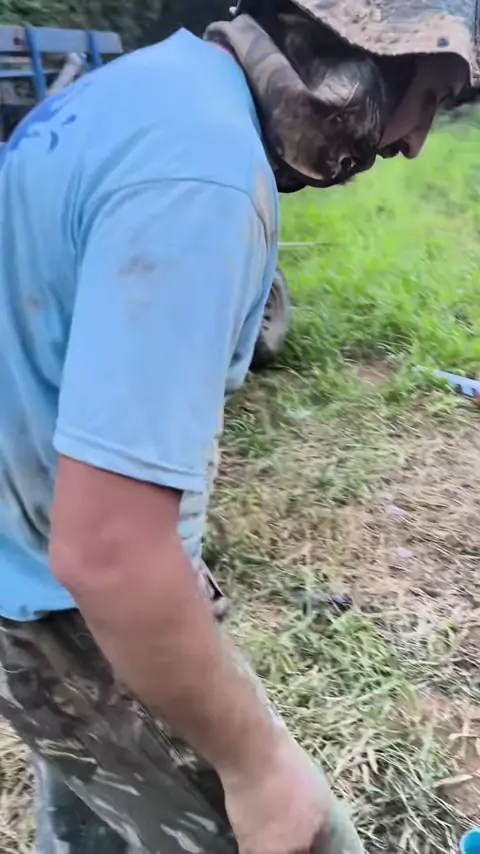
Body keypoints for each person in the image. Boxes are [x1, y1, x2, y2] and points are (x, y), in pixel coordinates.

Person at [0, 0, 474, 852]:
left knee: (94, 820)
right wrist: (257, 768)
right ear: (361, 57)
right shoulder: (203, 175)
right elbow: (110, 553)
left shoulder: (144, 89)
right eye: (429, 98)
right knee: (302, 833)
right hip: (66, 612)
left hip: (24, 562)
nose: (413, 142)